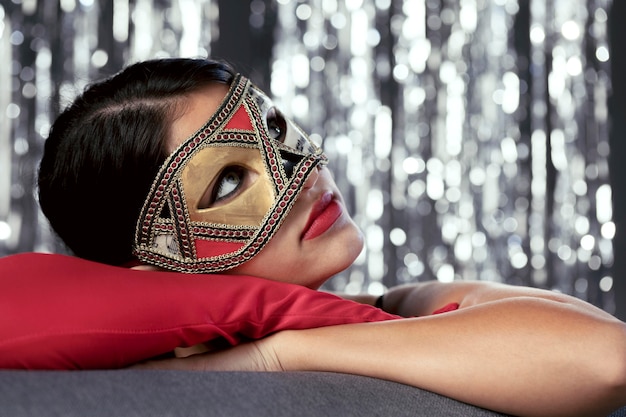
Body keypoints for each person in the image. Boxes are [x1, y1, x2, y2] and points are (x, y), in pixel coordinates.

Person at [38, 58, 626, 417]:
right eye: (228, 181)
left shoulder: (383, 310)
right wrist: (274, 354)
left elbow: (606, 348)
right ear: (162, 272)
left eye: (275, 128)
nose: (299, 175)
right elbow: (607, 361)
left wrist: (286, 348)